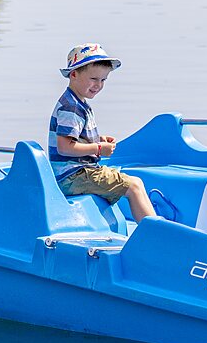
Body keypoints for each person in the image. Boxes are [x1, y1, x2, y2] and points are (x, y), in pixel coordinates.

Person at [48, 43, 155, 222]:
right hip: (73, 176)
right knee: (134, 186)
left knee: (136, 182)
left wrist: (98, 139)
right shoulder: (71, 108)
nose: (98, 85)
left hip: (78, 173)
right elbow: (64, 147)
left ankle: (153, 227)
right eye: (94, 79)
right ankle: (155, 236)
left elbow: (75, 138)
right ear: (73, 74)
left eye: (103, 80)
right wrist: (98, 148)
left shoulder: (76, 102)